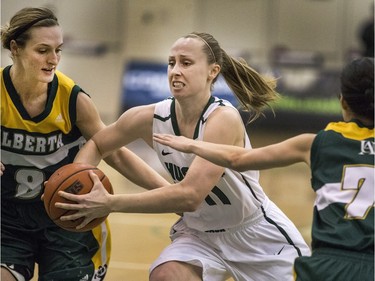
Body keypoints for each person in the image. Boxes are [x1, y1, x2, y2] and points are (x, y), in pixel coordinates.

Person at [56, 31, 311, 281]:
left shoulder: (223, 118)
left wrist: (110, 202)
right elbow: (99, 144)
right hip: (199, 235)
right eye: (171, 63)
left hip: (255, 234)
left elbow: (190, 196)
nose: (175, 70)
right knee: (165, 274)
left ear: (213, 71)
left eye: (186, 63)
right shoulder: (148, 117)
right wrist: (79, 187)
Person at [153, 57, 375, 281]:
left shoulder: (317, 143)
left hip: (327, 265)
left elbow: (238, 158)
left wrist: (193, 144)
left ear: (343, 101)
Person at [0, 7, 169, 281]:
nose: (53, 59)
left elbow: (116, 154)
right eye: (43, 50)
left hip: (69, 222)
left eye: (58, 50)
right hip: (7, 220)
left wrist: (170, 194)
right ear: (15, 48)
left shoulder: (72, 98)